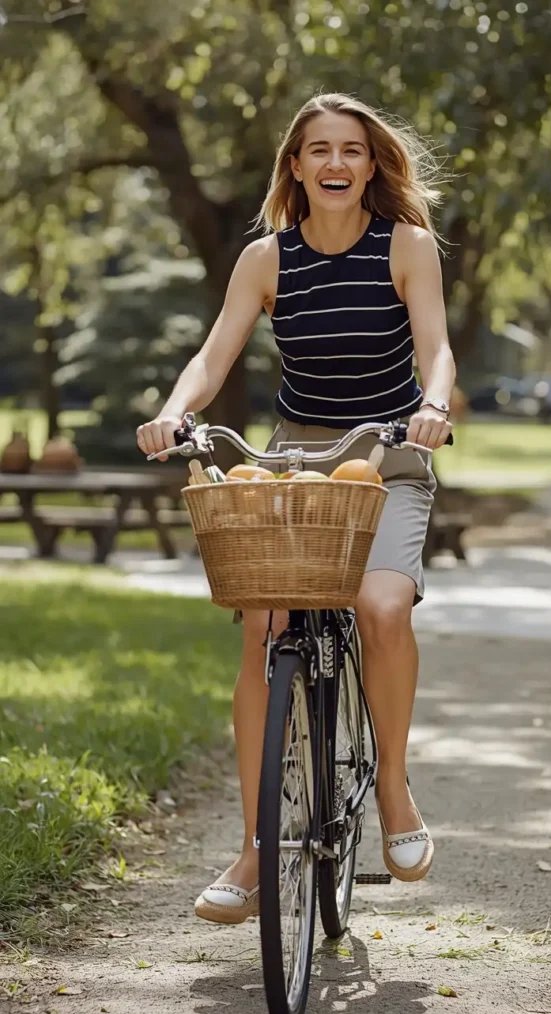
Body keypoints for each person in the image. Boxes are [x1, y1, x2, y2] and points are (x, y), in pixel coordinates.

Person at [137, 92, 456, 924]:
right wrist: (177, 410)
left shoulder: (408, 247)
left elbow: (437, 348)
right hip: (299, 459)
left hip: (387, 452)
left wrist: (435, 405)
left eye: (352, 150)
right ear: (295, 166)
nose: (336, 164)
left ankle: (390, 785)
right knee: (264, 623)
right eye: (318, 150)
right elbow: (213, 354)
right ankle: (252, 850)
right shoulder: (265, 259)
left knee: (382, 607)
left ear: (372, 164)